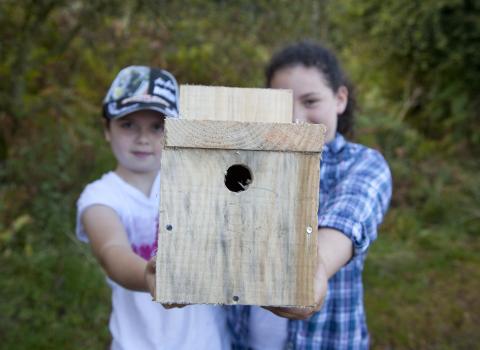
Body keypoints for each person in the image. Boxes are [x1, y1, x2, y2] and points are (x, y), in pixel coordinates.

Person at [228, 42, 392, 349]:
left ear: (340, 99)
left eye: (311, 101)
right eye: (283, 104)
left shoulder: (363, 165)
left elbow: (347, 222)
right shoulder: (248, 162)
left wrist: (314, 270)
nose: (297, 119)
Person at [76, 66, 230, 350]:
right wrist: (148, 276)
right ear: (107, 129)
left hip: (206, 341)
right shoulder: (100, 196)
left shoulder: (197, 184)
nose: (143, 138)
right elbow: (112, 251)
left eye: (157, 126)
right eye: (128, 124)